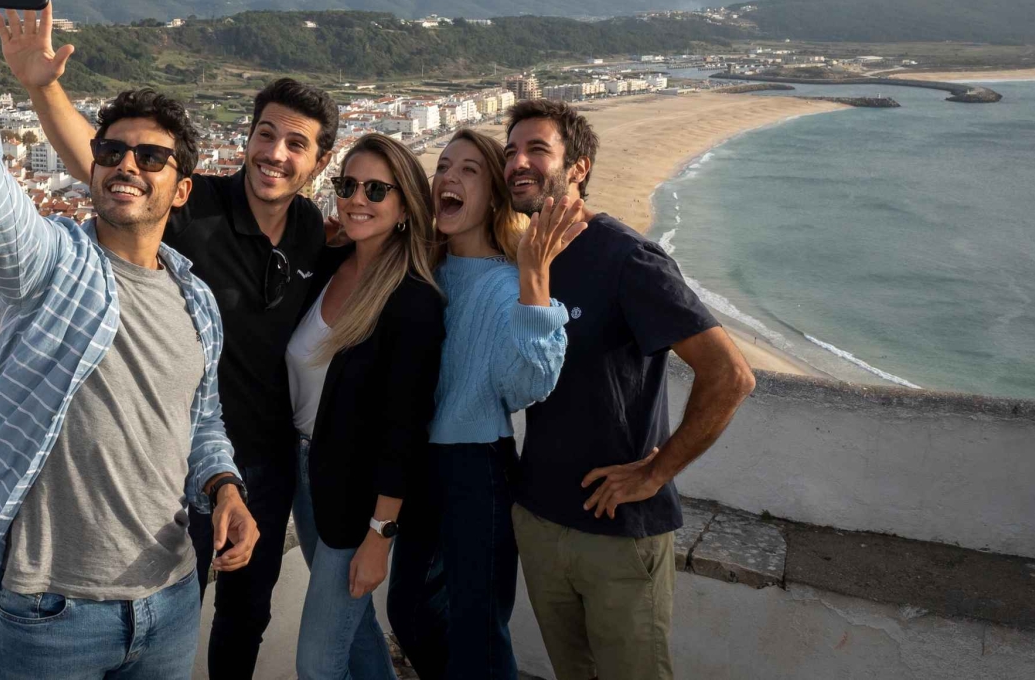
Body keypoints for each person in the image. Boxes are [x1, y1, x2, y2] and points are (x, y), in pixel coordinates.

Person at [0, 0, 259, 680]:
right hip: (51, 609)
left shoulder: (196, 301)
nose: (126, 163)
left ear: (182, 187)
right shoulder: (56, 267)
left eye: (151, 156)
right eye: (112, 151)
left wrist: (224, 486)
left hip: (170, 596)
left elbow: (200, 422)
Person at [5, 1, 339, 677]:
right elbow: (108, 165)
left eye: (294, 142)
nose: (275, 152)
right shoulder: (197, 205)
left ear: (319, 159)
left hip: (264, 466)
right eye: (265, 133)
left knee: (248, 612)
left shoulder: (311, 230)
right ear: (247, 137)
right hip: (176, 460)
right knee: (173, 607)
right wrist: (43, 86)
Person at [503, 99, 757, 680]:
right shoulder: (523, 255)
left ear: (579, 168)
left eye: (537, 150)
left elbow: (730, 375)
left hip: (617, 532)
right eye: (511, 150)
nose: (518, 162)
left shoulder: (626, 258)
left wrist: (655, 471)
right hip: (540, 518)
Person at [387, 128, 587, 680]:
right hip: (419, 465)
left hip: (476, 467)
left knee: (479, 627)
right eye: (443, 167)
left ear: (494, 196)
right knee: (407, 611)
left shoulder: (506, 283)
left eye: (469, 170)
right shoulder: (422, 268)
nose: (448, 178)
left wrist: (534, 276)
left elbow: (526, 386)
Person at [286, 133, 446, 680]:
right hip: (306, 480)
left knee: (316, 664)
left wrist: (381, 537)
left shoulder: (413, 300)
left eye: (376, 189)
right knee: (355, 634)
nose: (357, 198)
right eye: (347, 185)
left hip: (357, 502)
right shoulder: (330, 264)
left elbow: (404, 431)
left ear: (405, 206)